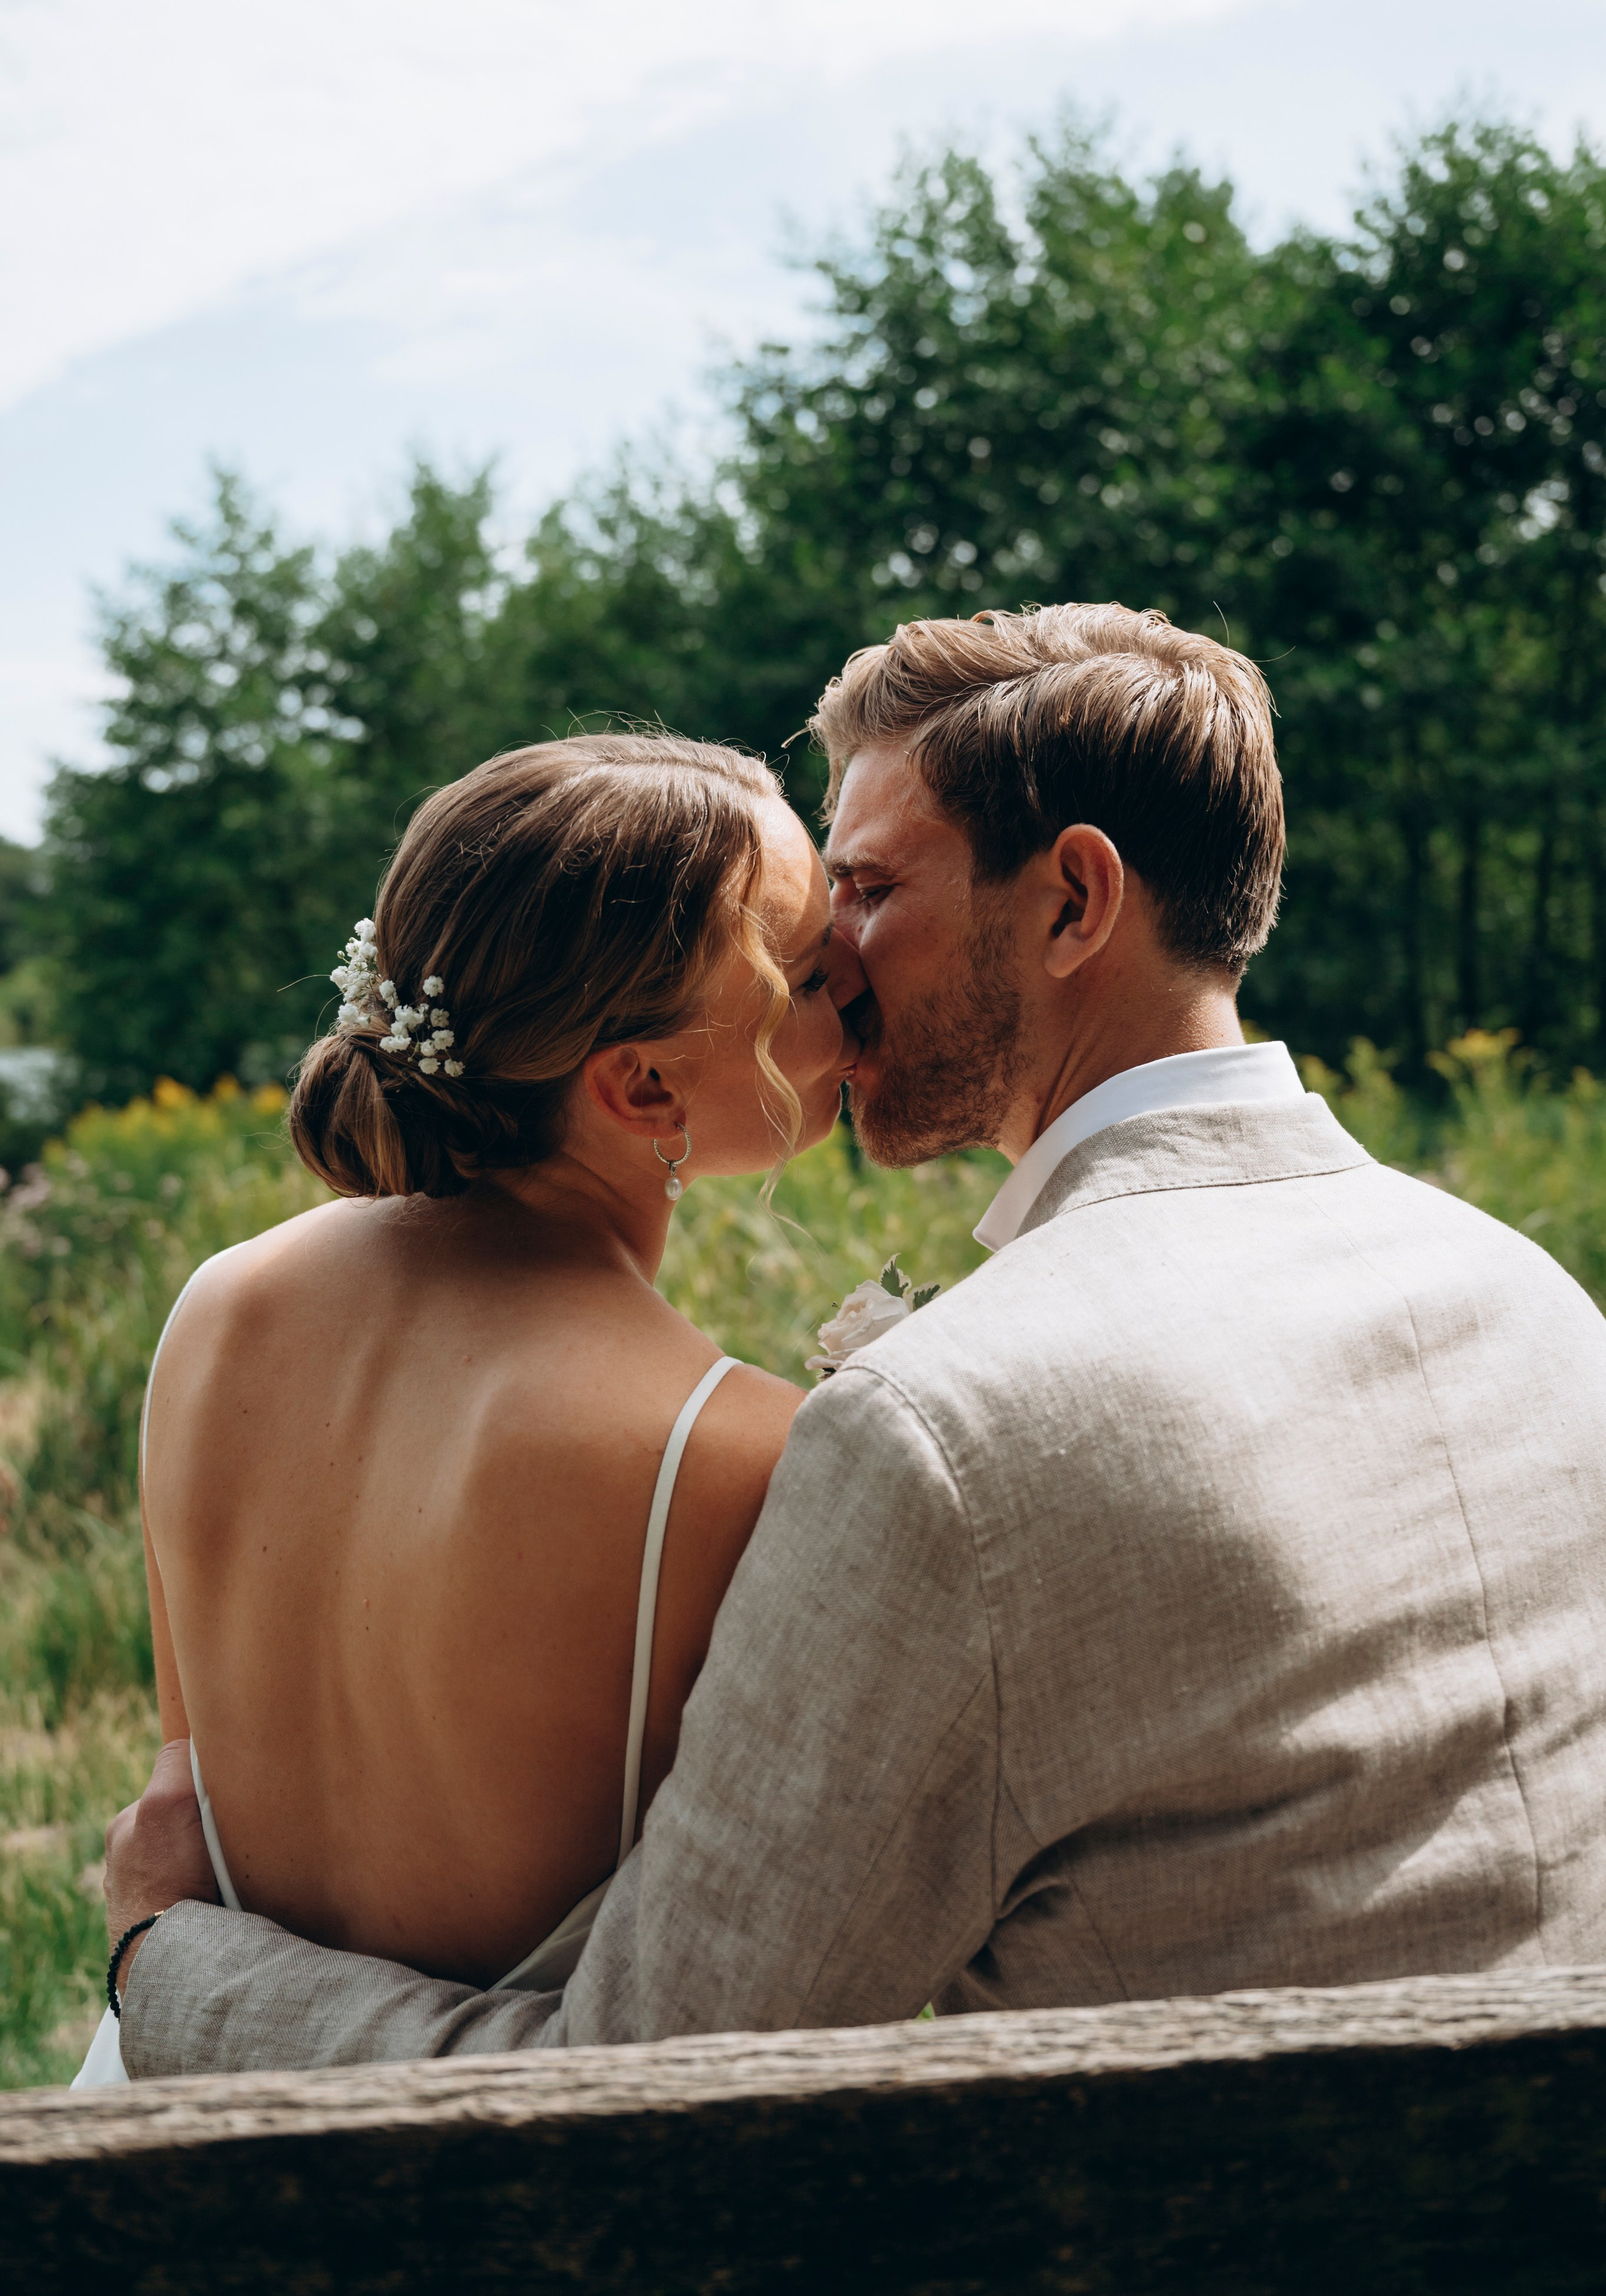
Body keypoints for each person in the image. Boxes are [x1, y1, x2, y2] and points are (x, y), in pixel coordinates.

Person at [108, 602, 1606, 2075]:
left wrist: (167, 1959)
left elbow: (644, 2083)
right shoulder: (1537, 1301)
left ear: (1075, 902)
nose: (830, 958)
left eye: (870, 893)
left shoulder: (947, 1436)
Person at [74, 732, 862, 2085]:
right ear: (643, 1086)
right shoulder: (720, 1447)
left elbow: (179, 1817)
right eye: (809, 971)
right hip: (496, 2186)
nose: (860, 983)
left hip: (181, 2110)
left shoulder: (217, 1307)